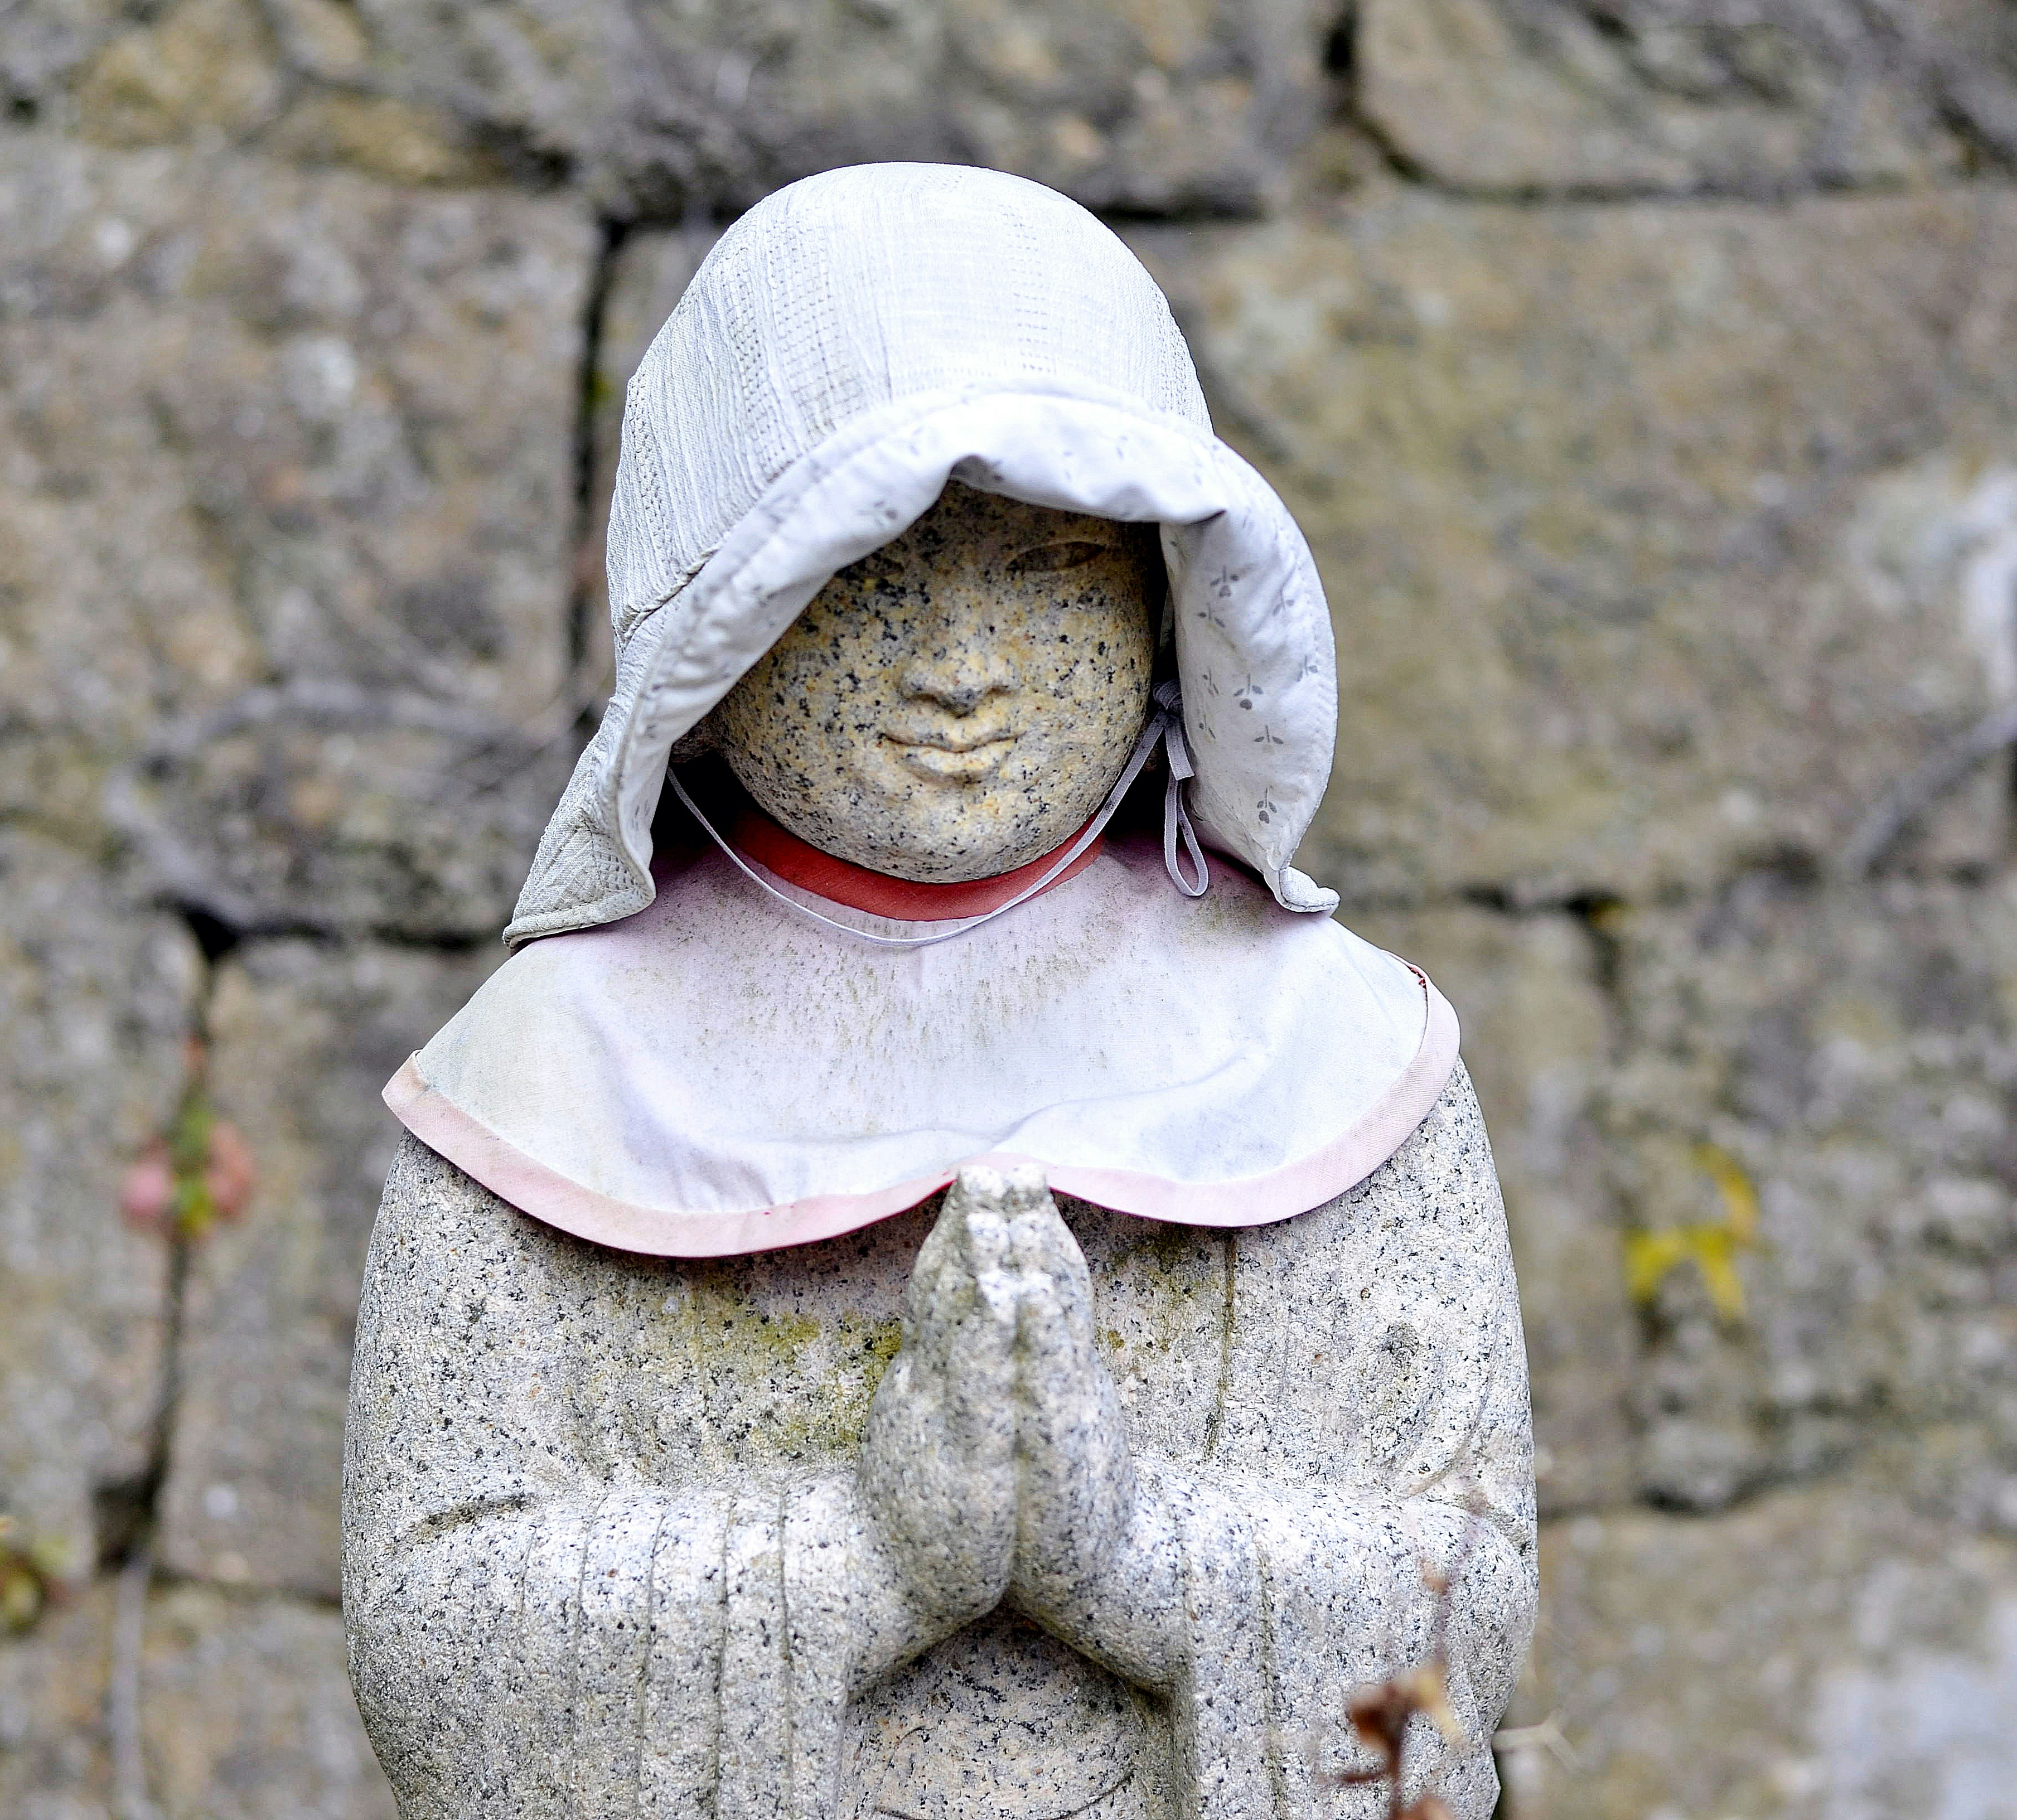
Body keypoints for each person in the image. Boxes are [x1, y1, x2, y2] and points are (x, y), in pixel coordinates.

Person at [342, 162, 1534, 1820]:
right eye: (862, 575)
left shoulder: (1332, 1052)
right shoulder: (548, 1084)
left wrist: (1135, 1551)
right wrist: (866, 1558)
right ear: (719, 614)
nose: (959, 671)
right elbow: (434, 1643)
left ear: (1168, 596)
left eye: (1050, 574)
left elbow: (1459, 1594)